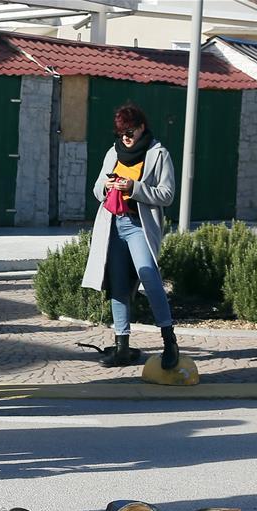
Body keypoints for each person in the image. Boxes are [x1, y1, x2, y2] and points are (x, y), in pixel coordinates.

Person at [81, 104, 179, 369]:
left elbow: (167, 195)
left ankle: (169, 340)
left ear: (141, 127)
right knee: (118, 283)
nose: (126, 137)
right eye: (122, 132)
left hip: (138, 225)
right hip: (113, 224)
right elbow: (96, 189)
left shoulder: (158, 155)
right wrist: (107, 186)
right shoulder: (113, 153)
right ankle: (122, 346)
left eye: (130, 131)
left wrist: (133, 187)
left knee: (149, 277)